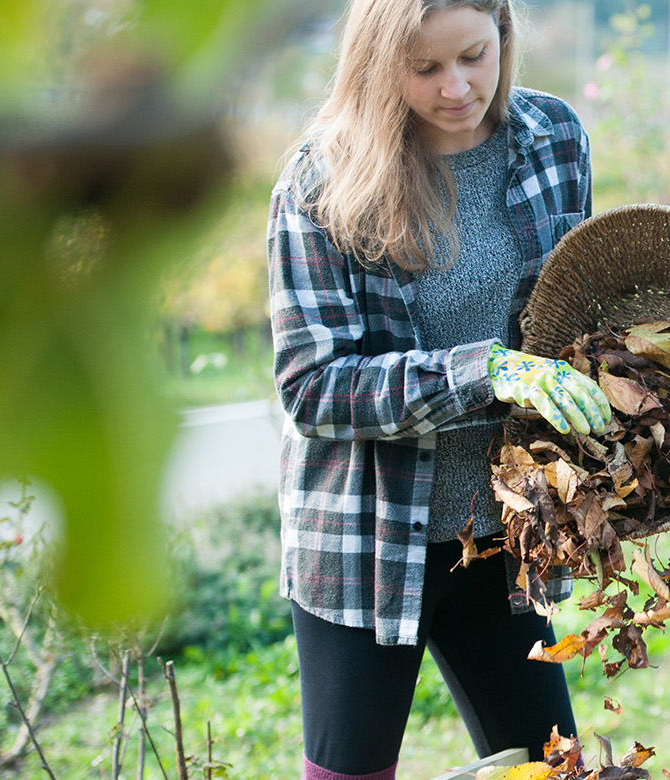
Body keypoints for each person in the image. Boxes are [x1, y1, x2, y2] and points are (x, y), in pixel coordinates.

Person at [266, 1, 626, 776]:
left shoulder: (553, 140)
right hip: (365, 542)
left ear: (503, 33)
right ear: (375, 63)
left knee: (550, 768)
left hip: (503, 537)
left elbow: (574, 318)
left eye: (473, 54)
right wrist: (484, 369)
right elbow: (313, 388)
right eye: (423, 68)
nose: (457, 86)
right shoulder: (323, 180)